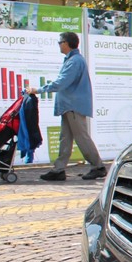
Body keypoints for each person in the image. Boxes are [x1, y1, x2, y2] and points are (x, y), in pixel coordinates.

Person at [32, 32, 106, 181]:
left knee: (81, 137)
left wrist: (38, 90)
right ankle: (58, 169)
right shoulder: (72, 60)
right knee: (65, 138)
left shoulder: (75, 61)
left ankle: (98, 167)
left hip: (73, 106)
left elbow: (61, 82)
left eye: (60, 42)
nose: (59, 45)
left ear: (66, 43)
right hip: (69, 106)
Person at [16, 90, 42, 163]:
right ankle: (29, 159)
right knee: (30, 141)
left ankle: (28, 159)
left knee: (28, 140)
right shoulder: (30, 100)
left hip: (27, 129)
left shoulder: (26, 100)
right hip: (31, 129)